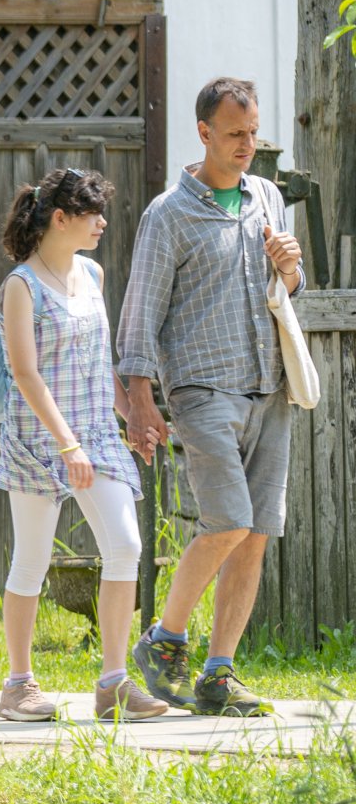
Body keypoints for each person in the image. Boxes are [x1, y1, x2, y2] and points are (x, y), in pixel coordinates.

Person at [118, 78, 304, 718]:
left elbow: (288, 292)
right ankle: (164, 640)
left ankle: (218, 675)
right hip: (202, 389)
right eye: (234, 134)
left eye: (252, 132)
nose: (247, 144)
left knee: (255, 534)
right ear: (203, 133)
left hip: (270, 387)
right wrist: (140, 400)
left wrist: (291, 268)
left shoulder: (267, 197)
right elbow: (140, 312)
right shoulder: (167, 214)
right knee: (228, 521)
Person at [0, 168, 166, 724]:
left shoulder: (91, 273)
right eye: (93, 213)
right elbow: (25, 373)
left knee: (126, 546)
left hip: (96, 434)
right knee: (32, 560)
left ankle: (113, 684)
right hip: (40, 440)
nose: (103, 223)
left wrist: (132, 417)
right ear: (61, 219)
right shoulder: (21, 286)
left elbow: (97, 360)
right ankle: (18, 685)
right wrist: (67, 446)